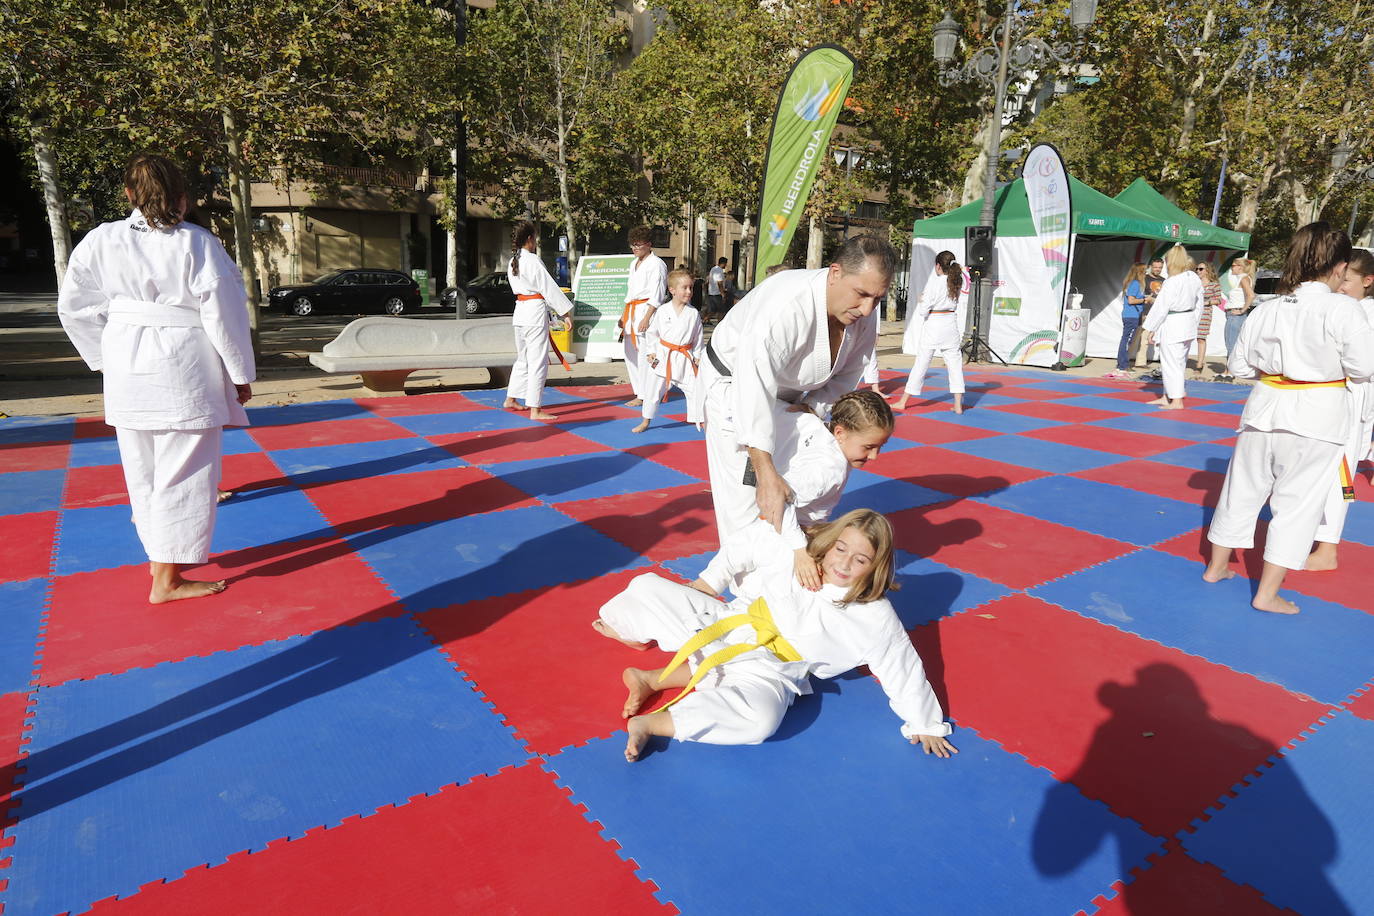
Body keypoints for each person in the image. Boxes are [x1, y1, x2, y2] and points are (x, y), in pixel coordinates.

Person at [592, 509, 956, 762]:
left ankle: (651, 721)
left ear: (877, 567)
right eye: (841, 549)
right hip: (729, 625)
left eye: (861, 560)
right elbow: (759, 531)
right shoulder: (801, 557)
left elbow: (902, 668)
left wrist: (925, 723)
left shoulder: (875, 616)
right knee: (647, 585)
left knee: (760, 720)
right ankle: (646, 669)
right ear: (829, 542)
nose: (844, 564)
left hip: (771, 670)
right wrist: (707, 583)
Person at [57, 153, 255, 603]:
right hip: (184, 364)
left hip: (126, 359)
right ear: (182, 198)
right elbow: (223, 314)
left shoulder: (99, 240)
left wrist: (105, 357)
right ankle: (167, 580)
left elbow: (74, 308)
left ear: (128, 194)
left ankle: (157, 565)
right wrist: (239, 372)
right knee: (182, 473)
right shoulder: (197, 243)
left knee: (142, 472)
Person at [1203, 223, 1374, 613]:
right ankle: (1266, 594)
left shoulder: (1270, 307)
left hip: (1264, 408)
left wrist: (1279, 371)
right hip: (1317, 416)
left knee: (1240, 492)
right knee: (1297, 505)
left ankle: (1216, 567)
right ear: (1340, 266)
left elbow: (1239, 365)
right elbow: (1364, 368)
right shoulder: (1344, 309)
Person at [699, 235, 892, 541]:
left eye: (878, 299)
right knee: (744, 499)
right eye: (862, 294)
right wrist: (763, 469)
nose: (868, 309)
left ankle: (790, 553)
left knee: (796, 479)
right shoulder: (787, 306)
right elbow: (754, 383)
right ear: (836, 272)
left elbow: (850, 372)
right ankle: (740, 576)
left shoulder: (863, 314)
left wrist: (816, 405)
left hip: (791, 397)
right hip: (733, 386)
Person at [767, 389, 893, 590]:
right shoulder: (829, 471)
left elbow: (782, 412)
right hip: (787, 532)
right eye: (868, 447)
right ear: (840, 433)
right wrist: (800, 552)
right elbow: (778, 499)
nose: (874, 456)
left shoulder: (815, 425)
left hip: (786, 524)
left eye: (881, 446)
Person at [1307, 248, 1374, 570]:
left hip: (1352, 399)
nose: (1341, 285)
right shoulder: (1341, 309)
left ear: (1367, 281)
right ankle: (1314, 534)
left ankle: (1328, 548)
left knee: (1340, 474)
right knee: (1316, 469)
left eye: (1347, 280)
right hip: (1328, 398)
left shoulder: (1366, 314)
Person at [502, 221, 574, 421]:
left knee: (523, 358)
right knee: (537, 361)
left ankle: (511, 398)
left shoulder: (512, 261)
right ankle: (535, 408)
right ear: (529, 239)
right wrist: (566, 313)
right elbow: (548, 288)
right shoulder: (532, 260)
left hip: (521, 313)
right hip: (533, 313)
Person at [895, 250, 966, 413]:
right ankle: (957, 404)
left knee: (921, 363)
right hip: (950, 324)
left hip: (934, 324)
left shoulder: (936, 282)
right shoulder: (956, 282)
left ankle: (903, 401)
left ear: (938, 266)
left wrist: (922, 300)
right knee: (955, 365)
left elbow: (923, 310)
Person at [634, 267, 704, 433]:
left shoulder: (693, 313)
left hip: (685, 358)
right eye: (685, 287)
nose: (689, 291)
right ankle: (646, 421)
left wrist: (698, 355)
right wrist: (651, 351)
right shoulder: (663, 311)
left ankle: (698, 420)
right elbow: (652, 333)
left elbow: (698, 338)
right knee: (653, 391)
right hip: (664, 357)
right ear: (672, 290)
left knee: (695, 389)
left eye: (691, 288)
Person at [1142, 244, 1203, 409]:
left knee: (1171, 363)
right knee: (1178, 362)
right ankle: (1166, 396)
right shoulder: (1193, 277)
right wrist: (1194, 322)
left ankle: (1176, 401)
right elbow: (1200, 303)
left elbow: (1162, 307)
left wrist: (1151, 328)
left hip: (1174, 324)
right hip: (1187, 322)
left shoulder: (1172, 281)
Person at [619, 226, 668, 408]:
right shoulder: (633, 264)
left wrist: (647, 317)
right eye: (632, 245)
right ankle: (639, 390)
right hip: (632, 310)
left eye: (638, 245)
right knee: (629, 353)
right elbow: (630, 292)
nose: (635, 248)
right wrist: (623, 316)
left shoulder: (657, 264)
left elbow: (658, 294)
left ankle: (646, 394)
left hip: (647, 311)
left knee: (645, 354)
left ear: (649, 244)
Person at [1106, 263, 1149, 380]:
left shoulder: (1132, 283)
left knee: (1126, 340)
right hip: (1131, 316)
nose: (1146, 273)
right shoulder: (1135, 283)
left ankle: (1122, 365)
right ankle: (1122, 366)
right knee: (1126, 341)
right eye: (1145, 271)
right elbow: (1131, 300)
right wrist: (1144, 300)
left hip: (1132, 315)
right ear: (1140, 272)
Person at [1218, 257, 1257, 383]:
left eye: (1234, 265)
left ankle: (1230, 372)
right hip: (1234, 314)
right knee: (1232, 343)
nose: (1232, 267)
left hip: (1236, 314)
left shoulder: (1243, 278)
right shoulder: (1244, 278)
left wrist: (1242, 310)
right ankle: (1227, 370)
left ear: (1240, 267)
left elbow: (1251, 295)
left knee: (1231, 344)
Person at [1194, 262, 1225, 379]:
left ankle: (1199, 364)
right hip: (1192, 313)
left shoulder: (1214, 285)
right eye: (1197, 268)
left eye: (1201, 268)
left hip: (1205, 313)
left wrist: (1206, 302)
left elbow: (1218, 300)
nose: (1198, 271)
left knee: (1201, 338)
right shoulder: (1194, 283)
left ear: (1207, 270)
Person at [1136, 257, 1167, 373]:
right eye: (1155, 267)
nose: (1157, 269)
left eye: (1160, 267)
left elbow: (1164, 298)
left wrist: (1153, 300)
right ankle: (1125, 361)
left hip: (1156, 313)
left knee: (1146, 338)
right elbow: (1138, 294)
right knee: (1135, 337)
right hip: (1143, 311)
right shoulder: (1144, 278)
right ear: (1151, 267)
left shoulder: (1165, 281)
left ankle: (1140, 362)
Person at [704, 256, 727, 323]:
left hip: (711, 292)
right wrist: (723, 294)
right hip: (717, 293)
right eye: (725, 264)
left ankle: (704, 319)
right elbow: (719, 283)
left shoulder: (713, 269)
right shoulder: (719, 270)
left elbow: (708, 280)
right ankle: (720, 324)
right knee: (721, 311)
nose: (726, 265)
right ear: (723, 263)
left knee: (713, 310)